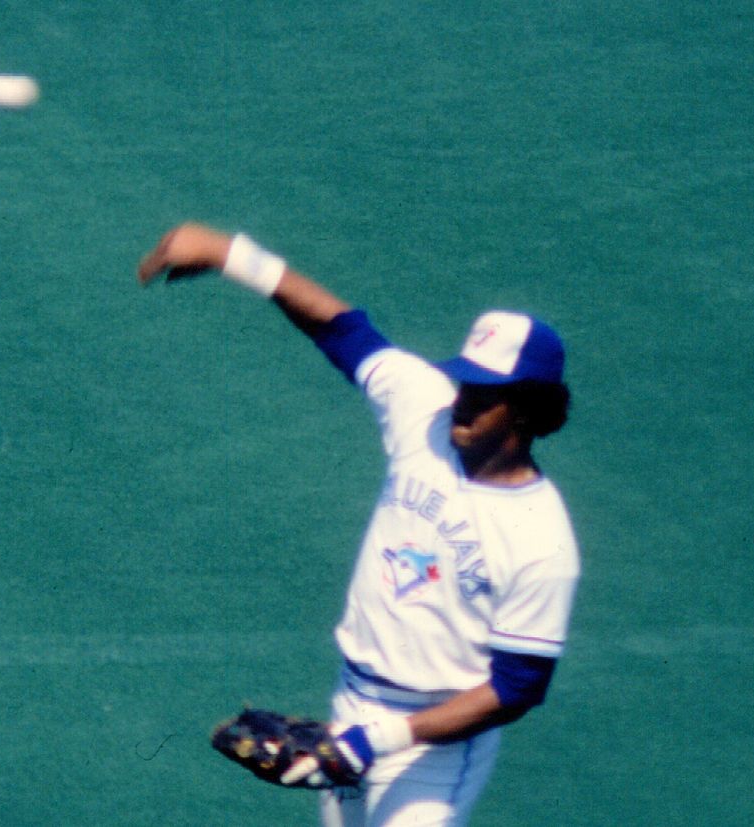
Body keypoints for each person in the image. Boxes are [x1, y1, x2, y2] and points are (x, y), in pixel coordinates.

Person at [138, 224, 581, 826]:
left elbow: (516, 689)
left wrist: (382, 741)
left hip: (435, 747)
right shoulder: (424, 411)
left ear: (527, 411)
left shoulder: (542, 540)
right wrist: (228, 254)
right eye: (467, 381)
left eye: (486, 393)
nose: (465, 400)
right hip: (351, 707)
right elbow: (342, 329)